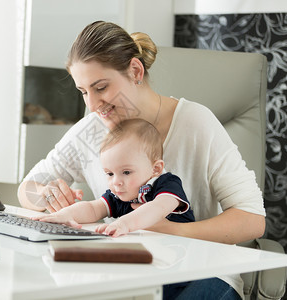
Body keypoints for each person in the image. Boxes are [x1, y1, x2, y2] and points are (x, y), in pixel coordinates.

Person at [18, 21, 265, 299]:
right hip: (129, 273)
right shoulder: (90, 131)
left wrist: (169, 230)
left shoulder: (195, 123)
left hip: (203, 271)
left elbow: (252, 219)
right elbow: (28, 187)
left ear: (135, 71)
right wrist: (45, 194)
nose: (92, 105)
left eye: (101, 87)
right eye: (84, 91)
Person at [33, 118, 195, 237]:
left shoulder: (167, 184)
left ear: (156, 168)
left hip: (183, 255)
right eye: (109, 173)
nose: (116, 182)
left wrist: (124, 223)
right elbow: (93, 208)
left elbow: (156, 209)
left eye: (126, 172)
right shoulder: (120, 194)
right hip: (148, 256)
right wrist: (64, 215)